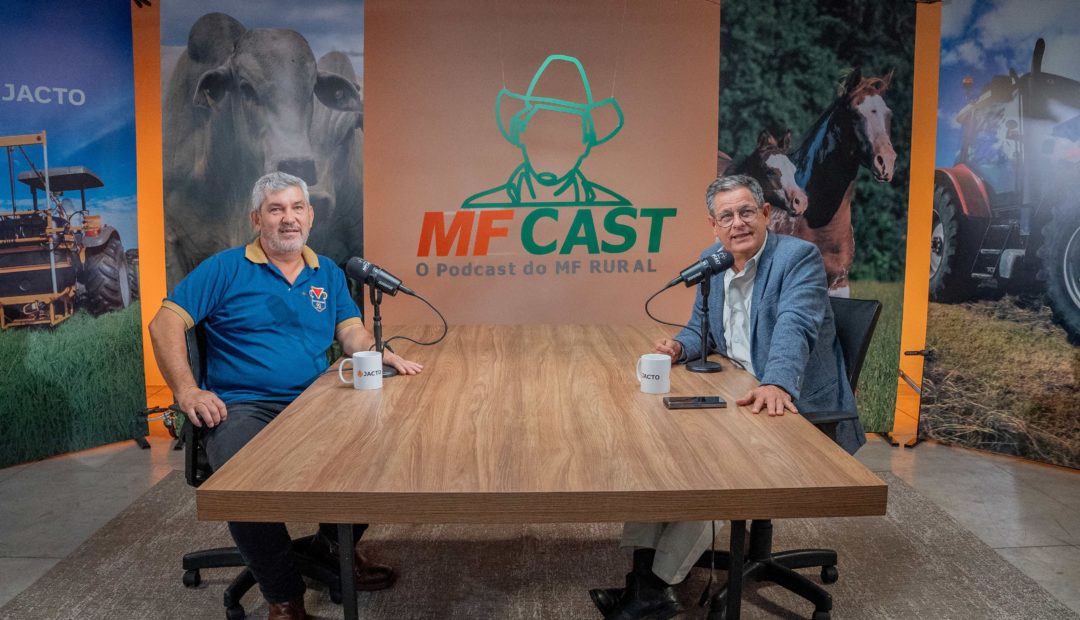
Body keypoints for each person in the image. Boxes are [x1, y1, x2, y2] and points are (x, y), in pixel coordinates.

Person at [589, 174, 865, 620]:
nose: (737, 223)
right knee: (658, 452)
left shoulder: (798, 258)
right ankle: (640, 581)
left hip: (790, 403)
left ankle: (657, 589)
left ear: (767, 215)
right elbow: (705, 327)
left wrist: (776, 382)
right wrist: (680, 347)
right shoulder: (713, 261)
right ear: (713, 226)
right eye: (726, 216)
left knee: (706, 467)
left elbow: (796, 326)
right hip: (734, 387)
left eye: (746, 212)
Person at [149, 171, 422, 620]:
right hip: (242, 405)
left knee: (381, 449)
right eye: (276, 209)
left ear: (310, 216)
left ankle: (332, 549)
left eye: (297, 208)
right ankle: (283, 597)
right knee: (246, 484)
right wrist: (187, 390)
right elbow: (165, 323)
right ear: (257, 219)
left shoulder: (327, 271)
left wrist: (375, 351)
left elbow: (348, 329)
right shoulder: (224, 268)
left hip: (318, 399)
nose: (288, 219)